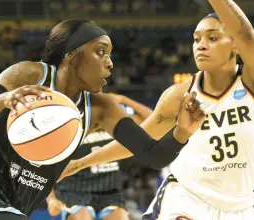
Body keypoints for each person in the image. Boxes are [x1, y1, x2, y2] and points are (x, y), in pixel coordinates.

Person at [0, 19, 205, 220]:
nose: (110, 63)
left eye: (110, 54)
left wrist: (182, 133)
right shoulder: (30, 75)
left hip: (13, 209)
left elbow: (152, 155)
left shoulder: (101, 108)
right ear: (72, 55)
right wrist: (0, 101)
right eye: (101, 51)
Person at [60, 2, 254, 219]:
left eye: (213, 38)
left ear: (236, 46)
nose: (201, 45)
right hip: (187, 200)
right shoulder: (178, 96)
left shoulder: (249, 82)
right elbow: (141, 141)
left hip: (242, 206)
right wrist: (80, 163)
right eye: (196, 39)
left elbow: (246, 34)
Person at [46, 93, 153, 220]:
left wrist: (124, 99)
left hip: (110, 192)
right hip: (75, 190)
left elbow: (156, 121)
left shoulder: (115, 125)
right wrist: (51, 199)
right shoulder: (70, 127)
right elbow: (46, 168)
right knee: (83, 217)